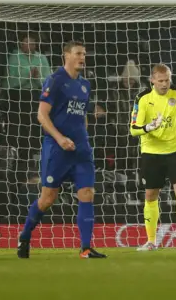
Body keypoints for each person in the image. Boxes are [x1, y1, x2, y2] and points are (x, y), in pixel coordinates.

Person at [17, 41, 106, 259]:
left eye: (84, 53)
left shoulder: (86, 84)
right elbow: (42, 115)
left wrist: (82, 137)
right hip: (57, 149)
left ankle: (85, 248)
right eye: (78, 53)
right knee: (47, 199)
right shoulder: (55, 81)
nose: (82, 57)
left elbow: (82, 115)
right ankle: (25, 235)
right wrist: (60, 138)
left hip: (81, 149)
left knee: (87, 193)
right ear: (65, 55)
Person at [130, 64, 176, 252]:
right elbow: (133, 128)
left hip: (174, 151)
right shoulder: (143, 98)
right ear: (152, 80)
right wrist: (148, 128)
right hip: (151, 153)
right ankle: (151, 241)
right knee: (151, 195)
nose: (164, 84)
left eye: (167, 80)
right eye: (160, 81)